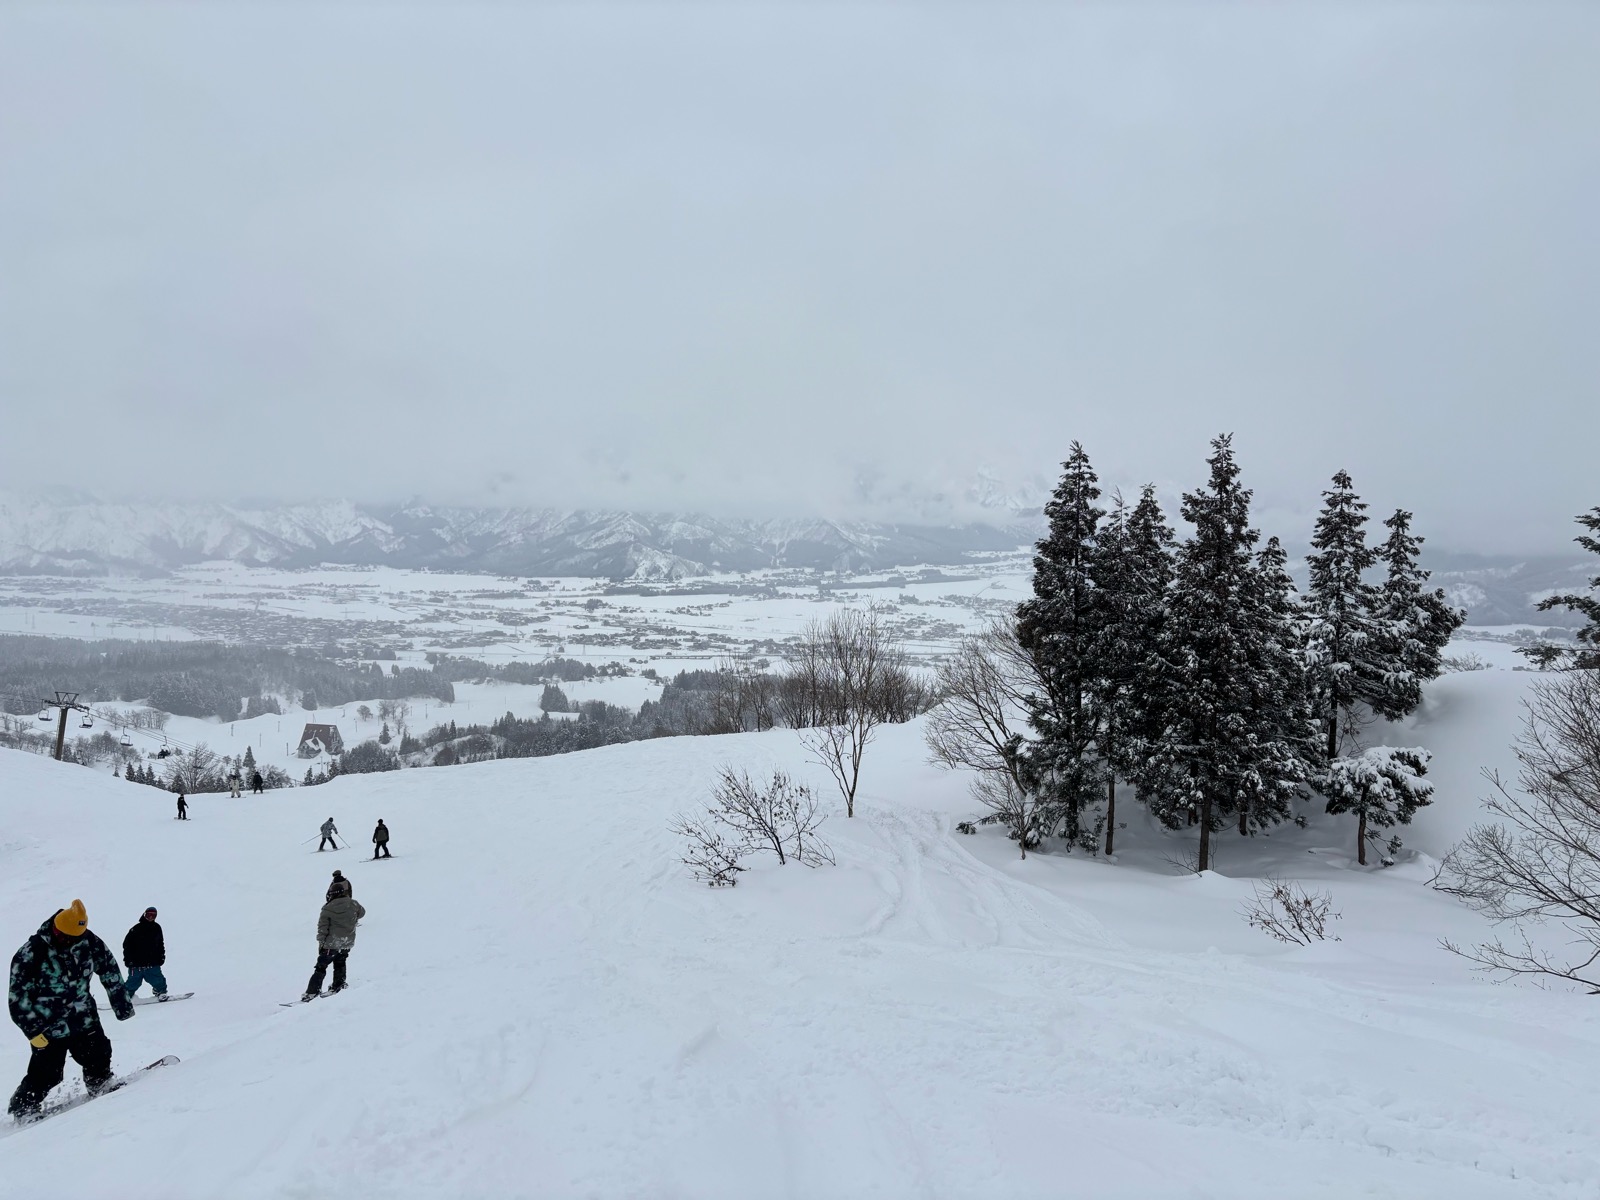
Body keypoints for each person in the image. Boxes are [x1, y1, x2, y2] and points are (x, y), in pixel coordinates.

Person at [7, 900, 135, 1121]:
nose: (72, 941)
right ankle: (24, 1108)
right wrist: (32, 1031)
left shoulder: (89, 941)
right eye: (67, 937)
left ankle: (100, 1084)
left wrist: (121, 1004)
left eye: (77, 937)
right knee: (46, 1073)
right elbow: (18, 998)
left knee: (98, 1055)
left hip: (84, 1018)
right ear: (56, 929)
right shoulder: (31, 953)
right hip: (48, 1026)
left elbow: (109, 969)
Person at [302, 892, 366, 1001]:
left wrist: (321, 943)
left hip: (331, 944)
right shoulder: (353, 904)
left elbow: (323, 928)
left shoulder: (328, 908)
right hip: (346, 942)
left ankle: (312, 992)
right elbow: (362, 913)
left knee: (321, 967)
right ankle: (339, 984)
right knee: (340, 963)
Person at [121, 908, 168, 1001]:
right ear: (144, 914)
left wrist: (161, 956)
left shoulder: (157, 928)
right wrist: (128, 960)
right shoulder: (135, 929)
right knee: (133, 982)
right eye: (148, 915)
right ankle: (125, 997)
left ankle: (161, 992)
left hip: (152, 962)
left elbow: (160, 944)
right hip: (136, 963)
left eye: (153, 915)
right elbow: (126, 946)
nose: (150, 917)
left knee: (157, 979)